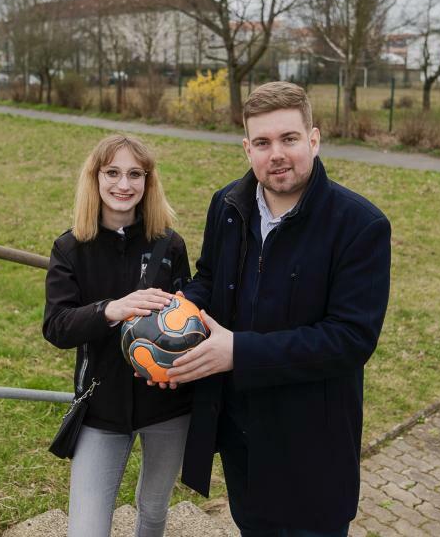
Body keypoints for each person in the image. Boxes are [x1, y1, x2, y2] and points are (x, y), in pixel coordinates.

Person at [165, 82, 392, 536]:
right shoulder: (227, 204)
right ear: (247, 147)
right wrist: (172, 319)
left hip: (313, 443)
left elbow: (350, 339)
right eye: (263, 143)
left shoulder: (360, 225)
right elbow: (209, 277)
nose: (277, 155)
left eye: (289, 139)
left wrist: (239, 353)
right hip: (242, 434)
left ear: (314, 139)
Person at [43, 134, 192, 537]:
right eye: (112, 173)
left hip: (168, 404)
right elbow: (56, 326)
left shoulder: (169, 244)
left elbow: (189, 315)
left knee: (154, 508)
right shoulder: (71, 248)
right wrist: (111, 309)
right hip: (101, 407)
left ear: (148, 181)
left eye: (134, 174)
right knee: (87, 528)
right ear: (95, 178)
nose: (123, 185)